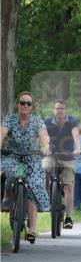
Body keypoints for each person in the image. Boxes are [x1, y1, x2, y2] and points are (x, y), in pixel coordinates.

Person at [0, 91, 52, 242]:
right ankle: (8, 196)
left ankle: (33, 229)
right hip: (12, 155)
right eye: (22, 103)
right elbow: (2, 133)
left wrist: (47, 147)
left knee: (33, 185)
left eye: (28, 103)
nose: (25, 106)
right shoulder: (10, 119)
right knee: (13, 171)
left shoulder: (37, 121)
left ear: (32, 107)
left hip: (32, 157)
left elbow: (44, 137)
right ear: (18, 105)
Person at [44, 99, 81, 230]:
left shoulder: (72, 122)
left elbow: (76, 135)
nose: (59, 110)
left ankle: (68, 217)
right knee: (45, 168)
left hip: (67, 156)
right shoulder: (47, 122)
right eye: (57, 108)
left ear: (66, 110)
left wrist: (78, 148)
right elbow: (43, 137)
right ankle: (46, 197)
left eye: (62, 108)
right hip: (52, 154)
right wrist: (45, 147)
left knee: (68, 187)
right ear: (54, 110)